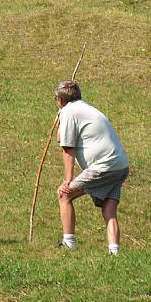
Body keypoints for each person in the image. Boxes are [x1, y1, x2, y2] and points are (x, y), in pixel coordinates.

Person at [54, 80, 130, 255]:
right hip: (120, 166)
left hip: (103, 166)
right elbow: (60, 137)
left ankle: (68, 243)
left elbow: (67, 148)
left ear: (60, 100)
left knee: (64, 195)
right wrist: (60, 121)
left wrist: (68, 180)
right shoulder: (85, 109)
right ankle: (114, 252)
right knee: (108, 208)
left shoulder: (69, 111)